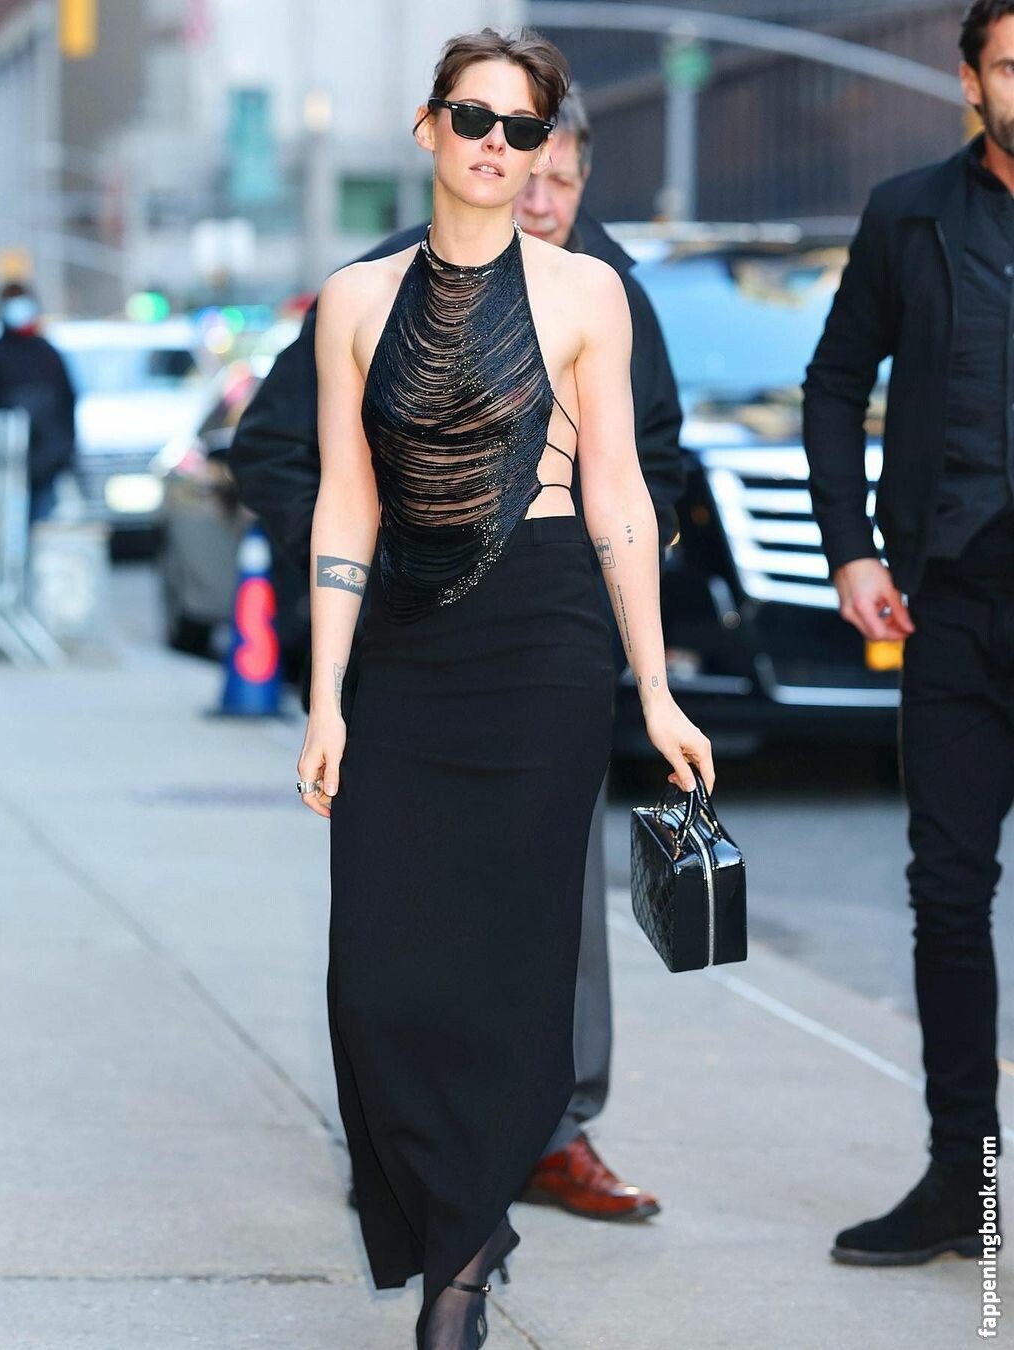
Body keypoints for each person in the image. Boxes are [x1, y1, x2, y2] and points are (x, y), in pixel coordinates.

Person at [296, 25, 713, 1349]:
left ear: (545, 149)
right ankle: (451, 1210)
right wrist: (325, 695)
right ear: (430, 127)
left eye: (521, 128)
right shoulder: (354, 301)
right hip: (408, 649)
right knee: (377, 978)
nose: (495, 145)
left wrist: (654, 686)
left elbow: (620, 497)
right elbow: (345, 502)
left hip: (543, 644)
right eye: (473, 118)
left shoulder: (590, 294)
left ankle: (460, 1272)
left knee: (515, 970)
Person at [802, 0, 1012, 1269]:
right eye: (1013, 66)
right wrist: (852, 548)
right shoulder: (910, 214)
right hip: (953, 608)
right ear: (971, 79)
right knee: (947, 898)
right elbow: (836, 381)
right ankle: (962, 1184)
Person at [0, 281, 76, 523]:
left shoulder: (48, 354)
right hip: (3, 466)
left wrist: (64, 453)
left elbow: (67, 404)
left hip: (47, 464)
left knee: (43, 526)